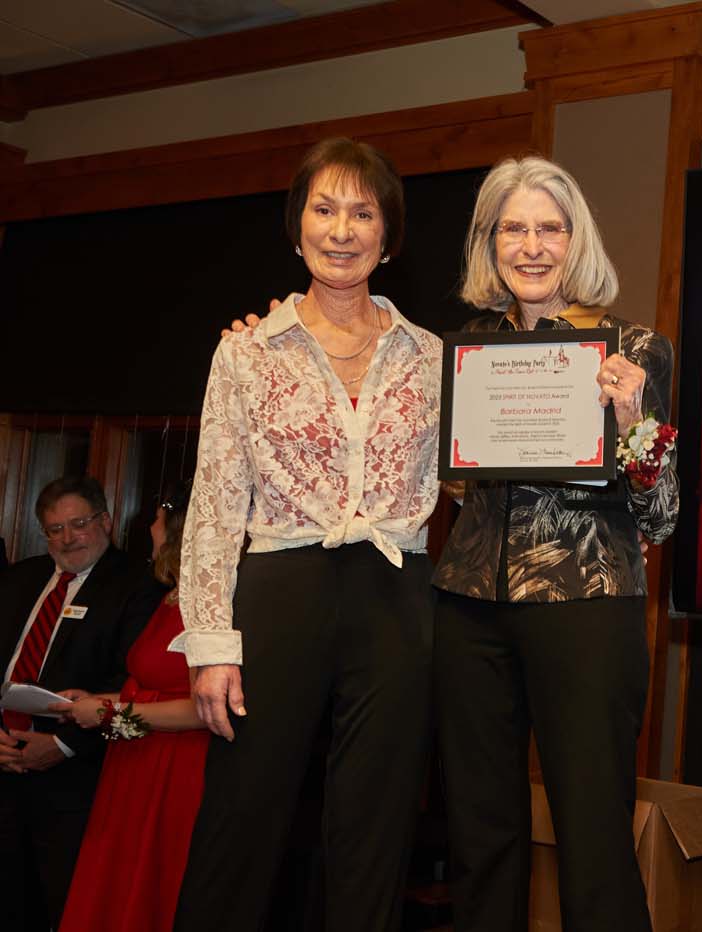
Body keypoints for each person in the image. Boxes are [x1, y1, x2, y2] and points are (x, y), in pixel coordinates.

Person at [171, 137, 441, 932]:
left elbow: (478, 475)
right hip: (282, 587)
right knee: (243, 814)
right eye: (324, 209)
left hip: (396, 592)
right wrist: (211, 645)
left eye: (363, 212)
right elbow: (216, 500)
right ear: (297, 229)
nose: (342, 229)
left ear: (388, 238)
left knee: (376, 826)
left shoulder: (432, 357)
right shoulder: (246, 351)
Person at [434, 156, 678, 932]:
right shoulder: (466, 345)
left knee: (593, 839)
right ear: (490, 242)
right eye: (514, 228)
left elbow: (662, 516)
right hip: (469, 610)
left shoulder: (637, 348)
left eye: (550, 227)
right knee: (477, 837)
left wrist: (635, 420)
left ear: (577, 242)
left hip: (587, 609)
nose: (532, 245)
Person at [0, 476, 162, 930]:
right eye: (54, 529)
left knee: (66, 906)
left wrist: (64, 744)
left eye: (79, 524)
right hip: (3, 765)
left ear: (106, 521)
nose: (67, 538)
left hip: (77, 778)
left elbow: (135, 684)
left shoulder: (138, 586)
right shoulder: (19, 578)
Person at [52, 483, 207, 932]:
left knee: (152, 888)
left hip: (173, 767)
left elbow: (201, 709)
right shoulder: (168, 597)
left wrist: (110, 716)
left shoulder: (205, 605)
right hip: (135, 760)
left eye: (157, 521)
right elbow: (153, 685)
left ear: (178, 532)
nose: (151, 529)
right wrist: (101, 700)